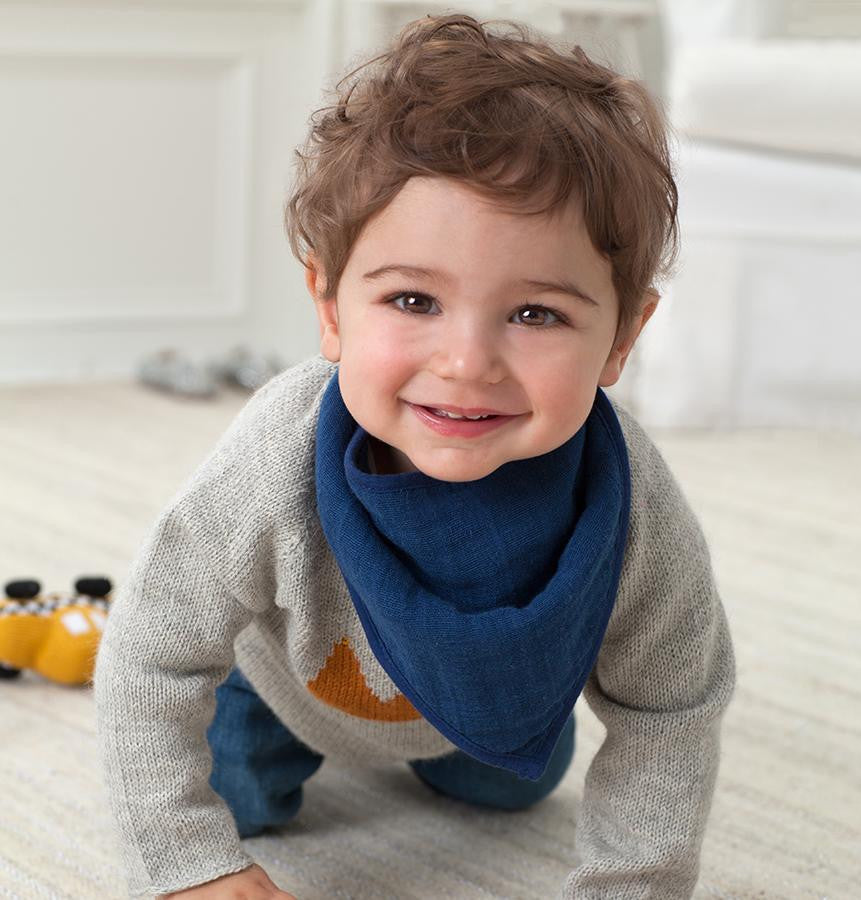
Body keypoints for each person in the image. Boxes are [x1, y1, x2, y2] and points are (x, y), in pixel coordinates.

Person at [93, 13, 736, 899]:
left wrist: (635, 881)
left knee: (512, 788)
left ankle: (486, 732)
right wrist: (186, 865)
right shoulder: (277, 454)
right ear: (329, 306)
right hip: (287, 689)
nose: (467, 363)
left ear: (622, 336)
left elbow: (671, 708)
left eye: (536, 314)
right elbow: (151, 653)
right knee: (240, 797)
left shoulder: (625, 500)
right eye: (411, 300)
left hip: (481, 712)